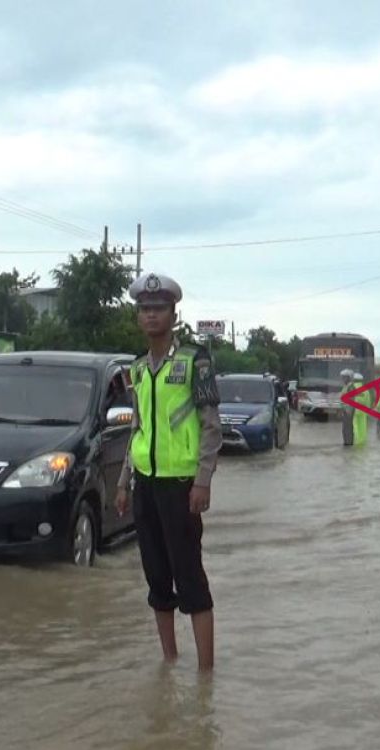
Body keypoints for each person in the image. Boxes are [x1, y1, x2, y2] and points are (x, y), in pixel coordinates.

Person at [114, 272, 222, 672]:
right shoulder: (138, 369)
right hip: (145, 486)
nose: (151, 315)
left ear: (173, 314)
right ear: (138, 316)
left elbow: (212, 426)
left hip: (182, 487)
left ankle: (205, 675)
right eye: (144, 309)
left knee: (190, 577)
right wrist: (124, 482)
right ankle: (169, 664)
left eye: (158, 308)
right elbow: (137, 428)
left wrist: (202, 480)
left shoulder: (196, 360)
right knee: (157, 578)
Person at [351, 371, 370, 446]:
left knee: (355, 425)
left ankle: (356, 440)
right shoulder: (365, 390)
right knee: (363, 425)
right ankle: (362, 440)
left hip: (354, 410)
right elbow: (368, 402)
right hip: (363, 410)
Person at [339, 368, 355, 446]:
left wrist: (349, 410)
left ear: (348, 378)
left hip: (348, 411)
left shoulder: (350, 387)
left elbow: (351, 400)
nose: (343, 379)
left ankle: (349, 443)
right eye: (342, 377)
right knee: (345, 429)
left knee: (348, 428)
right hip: (345, 410)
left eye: (344, 377)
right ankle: (346, 442)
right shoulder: (345, 386)